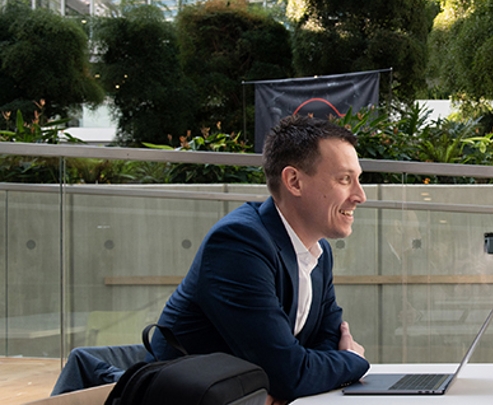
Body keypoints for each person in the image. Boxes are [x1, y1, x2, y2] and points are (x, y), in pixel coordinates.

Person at [148, 115, 370, 402]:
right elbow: (289, 373)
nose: (360, 196)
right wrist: (354, 360)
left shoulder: (319, 252)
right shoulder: (238, 243)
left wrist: (296, 374)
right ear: (294, 181)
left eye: (358, 180)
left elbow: (325, 339)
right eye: (345, 179)